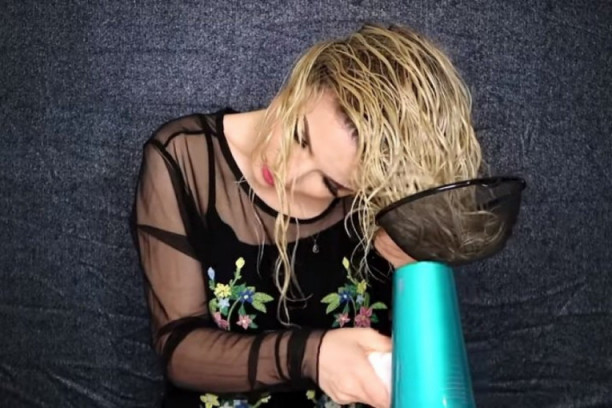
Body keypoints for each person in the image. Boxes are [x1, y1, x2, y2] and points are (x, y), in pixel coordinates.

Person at [129, 22, 482, 408]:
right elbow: (179, 349)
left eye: (330, 184)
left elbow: (428, 379)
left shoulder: (384, 202)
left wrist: (410, 270)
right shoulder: (184, 158)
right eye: (299, 135)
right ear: (302, 82)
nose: (288, 173)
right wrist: (313, 356)